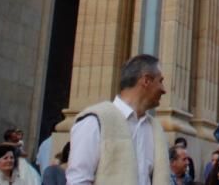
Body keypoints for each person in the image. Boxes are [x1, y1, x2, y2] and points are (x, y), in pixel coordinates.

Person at [66, 53, 169, 185]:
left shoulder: (155, 130)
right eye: (160, 81)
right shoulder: (95, 121)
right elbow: (78, 180)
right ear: (146, 81)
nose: (163, 90)